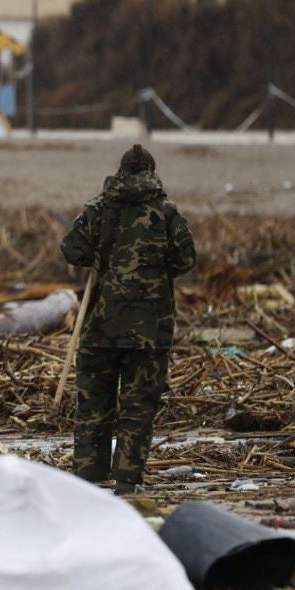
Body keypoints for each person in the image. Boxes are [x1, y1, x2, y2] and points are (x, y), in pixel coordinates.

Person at [59, 144, 195, 494]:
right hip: (150, 332)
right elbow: (184, 262)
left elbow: (72, 248)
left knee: (93, 406)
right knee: (138, 408)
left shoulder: (98, 210)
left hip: (101, 327)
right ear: (151, 172)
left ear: (120, 172)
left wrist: (98, 256)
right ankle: (127, 480)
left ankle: (88, 479)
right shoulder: (166, 214)